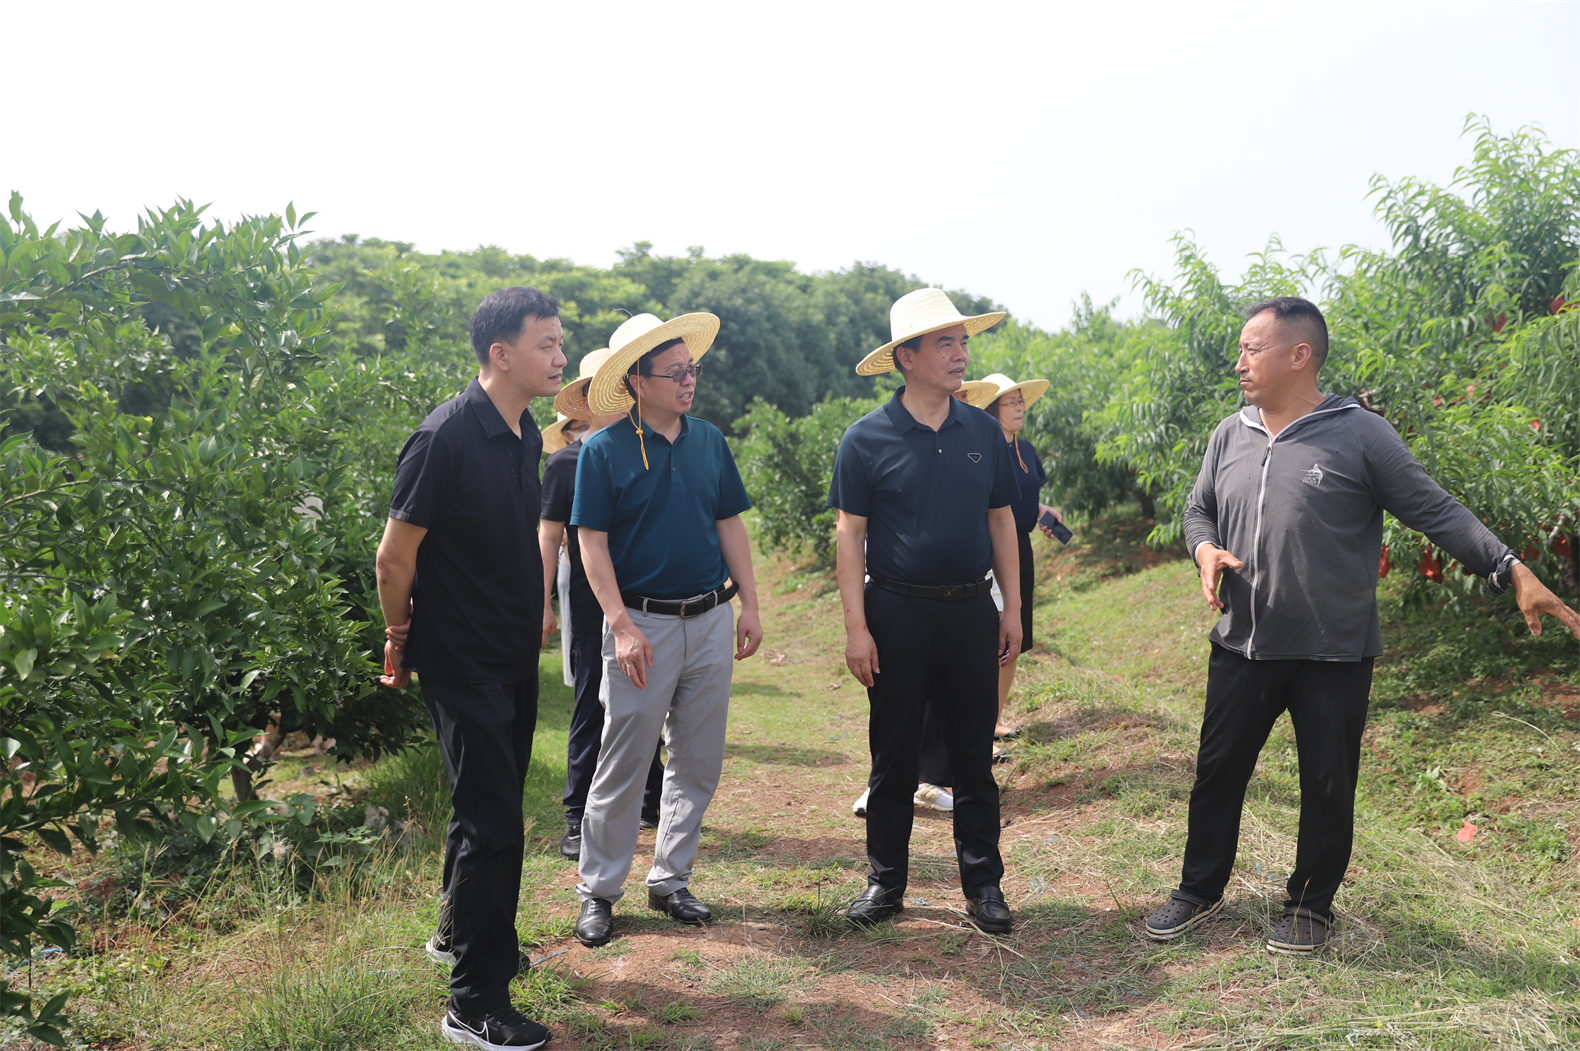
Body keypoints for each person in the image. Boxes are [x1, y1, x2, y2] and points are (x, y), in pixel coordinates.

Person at [1143, 296, 1580, 956]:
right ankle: (1198, 891)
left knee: (1326, 782)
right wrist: (1204, 548)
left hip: (1333, 649)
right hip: (1242, 642)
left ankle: (1310, 904)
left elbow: (1435, 509)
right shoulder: (1228, 434)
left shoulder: (1359, 434)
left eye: (1250, 349)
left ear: (1300, 355)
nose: (1238, 362)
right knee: (1218, 772)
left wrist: (1509, 567)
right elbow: (1198, 510)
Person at [376, 286, 565, 1050]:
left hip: (512, 652)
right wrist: (399, 632)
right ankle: (474, 998)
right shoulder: (443, 438)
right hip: (463, 657)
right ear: (501, 353)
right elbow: (394, 555)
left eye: (560, 342)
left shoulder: (525, 434)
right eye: (547, 344)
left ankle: (462, 933)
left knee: (484, 805)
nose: (560, 355)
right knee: (494, 824)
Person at [828, 287, 1022, 935]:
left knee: (973, 754)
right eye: (946, 342)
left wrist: (1011, 607)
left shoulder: (983, 433)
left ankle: (984, 884)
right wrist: (857, 627)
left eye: (963, 340)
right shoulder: (866, 439)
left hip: (970, 609)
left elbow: (1001, 520)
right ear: (905, 358)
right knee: (894, 755)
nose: (961, 353)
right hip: (896, 613)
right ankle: (885, 882)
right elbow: (850, 535)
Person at [569, 312, 764, 947]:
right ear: (636, 381)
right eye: (673, 373)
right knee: (624, 761)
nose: (688, 381)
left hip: (709, 617)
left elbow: (729, 524)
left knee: (698, 760)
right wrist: (620, 624)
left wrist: (751, 605)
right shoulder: (602, 451)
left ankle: (671, 878)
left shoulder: (708, 440)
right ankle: (598, 890)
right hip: (642, 626)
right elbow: (590, 544)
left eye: (692, 370)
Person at [539, 349, 666, 862]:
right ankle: (577, 816)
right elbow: (549, 538)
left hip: (654, 601)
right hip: (596, 608)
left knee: (651, 705)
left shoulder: (655, 449)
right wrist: (541, 602)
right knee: (593, 707)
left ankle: (651, 800)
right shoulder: (568, 461)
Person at [963, 374, 1064, 738]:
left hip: (1020, 546)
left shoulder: (1026, 450)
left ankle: (991, 722)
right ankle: (975, 729)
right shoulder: (980, 449)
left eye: (1021, 401)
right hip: (988, 550)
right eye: (1012, 402)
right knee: (989, 638)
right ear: (992, 409)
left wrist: (1039, 511)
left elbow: (1022, 495)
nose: (1020, 407)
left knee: (1014, 639)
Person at [542, 412, 588, 689]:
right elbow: (548, 534)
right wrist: (543, 603)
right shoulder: (562, 465)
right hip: (575, 565)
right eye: (578, 428)